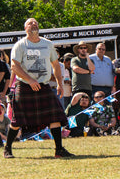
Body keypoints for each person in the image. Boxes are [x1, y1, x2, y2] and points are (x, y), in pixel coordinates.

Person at [4, 18, 73, 159]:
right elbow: (14, 66)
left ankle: (59, 150)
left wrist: (59, 83)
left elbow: (55, 64)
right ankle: (7, 149)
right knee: (18, 121)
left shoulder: (47, 44)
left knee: (55, 117)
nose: (33, 25)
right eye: (30, 23)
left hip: (44, 86)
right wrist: (30, 80)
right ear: (25, 28)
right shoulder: (20, 45)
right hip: (24, 86)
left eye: (35, 23)